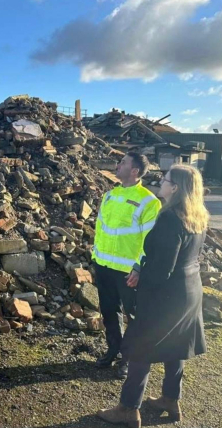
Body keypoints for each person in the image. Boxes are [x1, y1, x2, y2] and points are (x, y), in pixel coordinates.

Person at [97, 164, 209, 427]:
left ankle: (128, 407)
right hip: (189, 291)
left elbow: (161, 271)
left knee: (140, 347)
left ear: (175, 188)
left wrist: (138, 288)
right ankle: (170, 399)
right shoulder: (197, 215)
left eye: (165, 179)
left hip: (166, 295)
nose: (161, 181)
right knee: (176, 343)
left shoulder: (170, 219)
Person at [92, 152, 161, 379]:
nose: (117, 165)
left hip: (128, 271)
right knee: (109, 312)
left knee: (132, 315)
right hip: (104, 266)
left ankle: (128, 359)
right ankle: (113, 350)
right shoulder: (110, 195)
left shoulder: (149, 201)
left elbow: (149, 240)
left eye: (123, 163)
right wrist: (96, 258)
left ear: (135, 171)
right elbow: (101, 229)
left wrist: (139, 267)